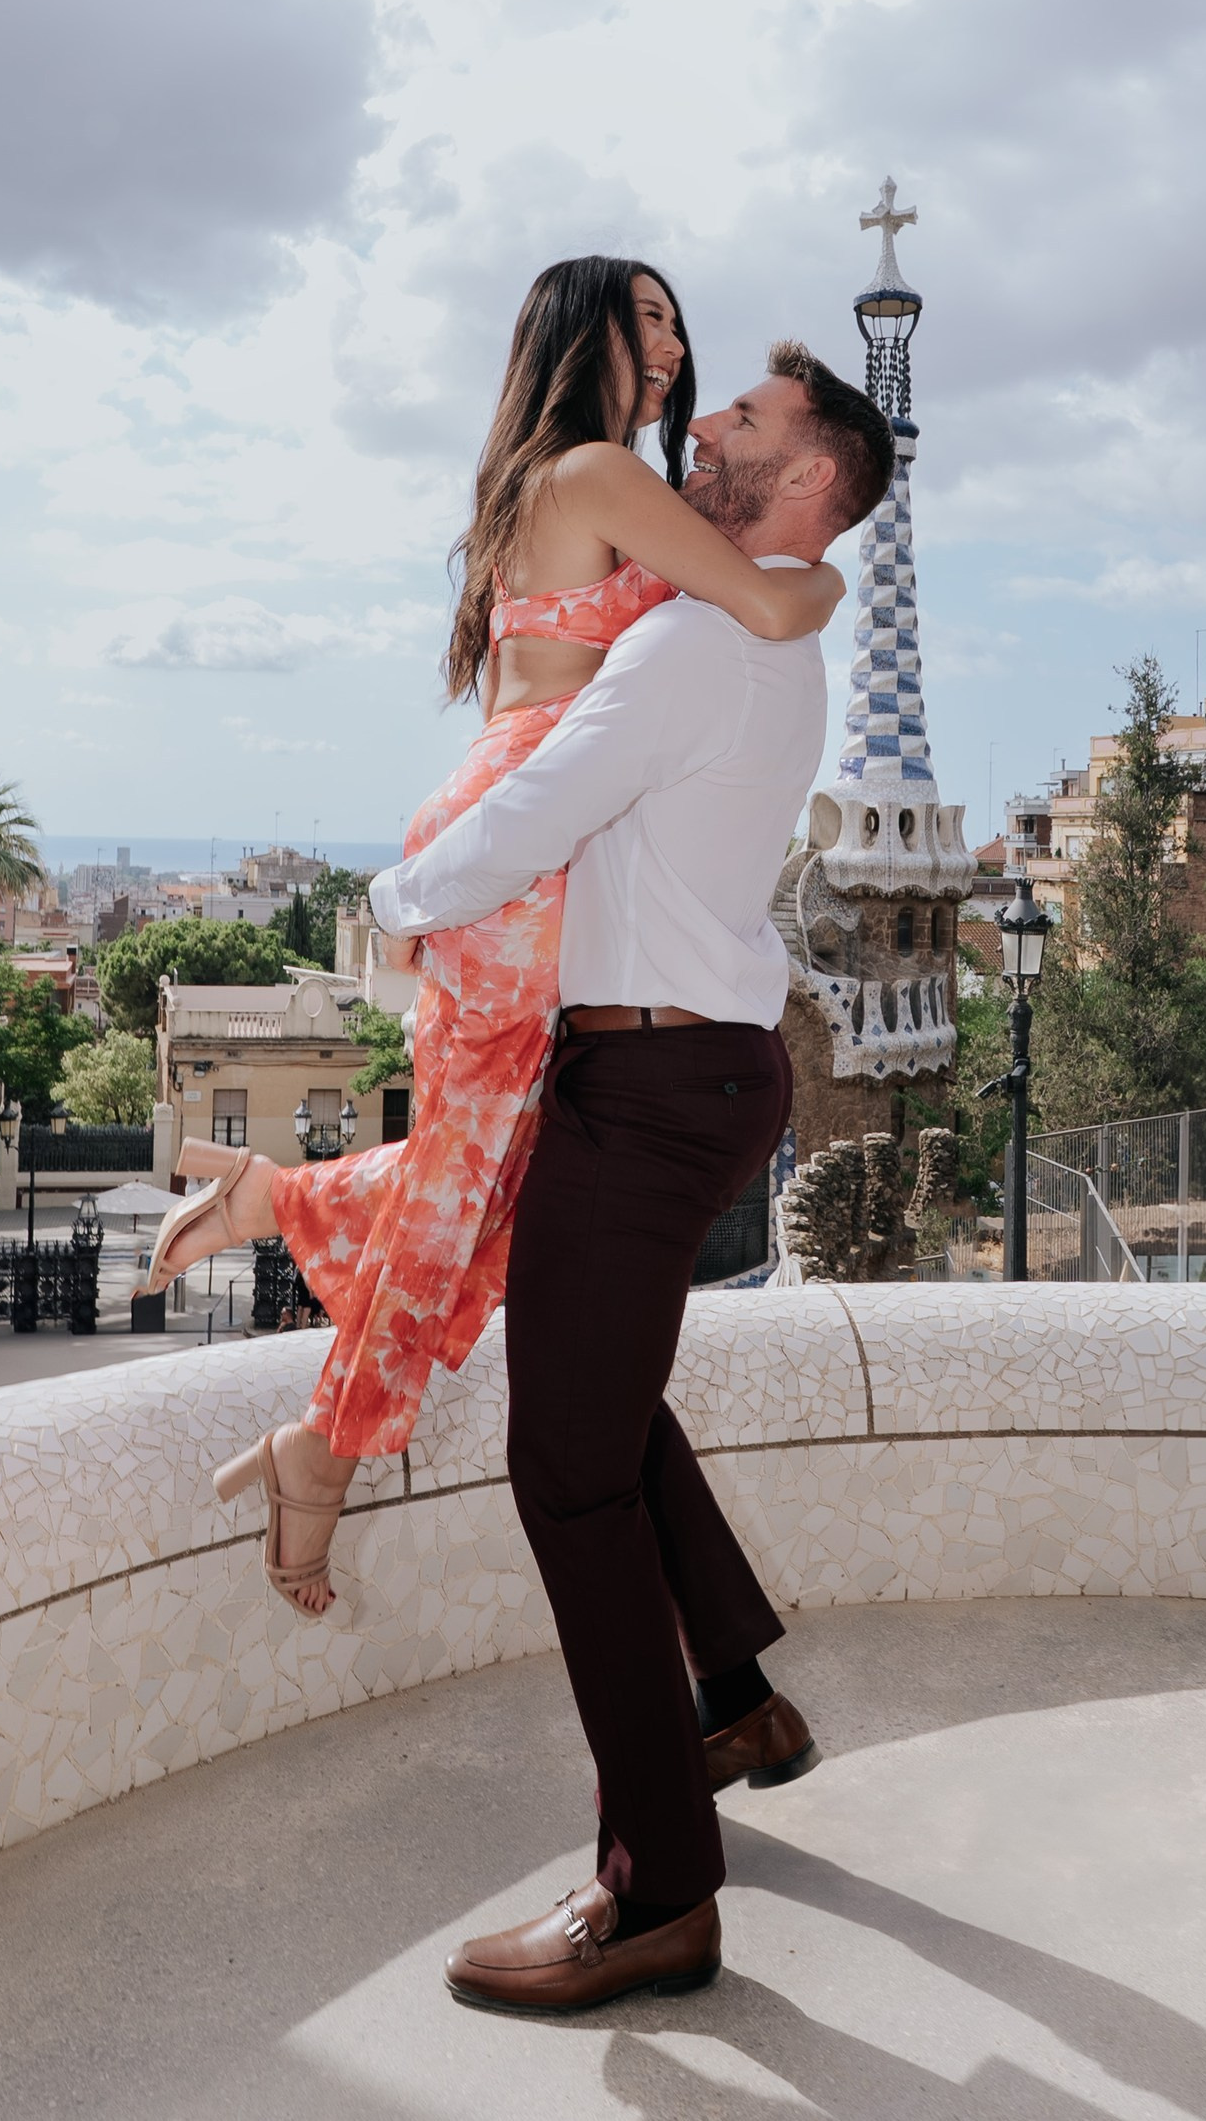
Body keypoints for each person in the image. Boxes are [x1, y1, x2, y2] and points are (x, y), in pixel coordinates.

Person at [145, 261, 843, 1615]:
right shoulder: (590, 472)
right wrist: (814, 580)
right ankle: (323, 1449)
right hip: (523, 846)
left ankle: (276, 1211)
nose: (673, 338)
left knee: (509, 1165)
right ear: (575, 338)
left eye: (674, 316)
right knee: (473, 1172)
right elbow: (765, 603)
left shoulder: (581, 482)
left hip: (539, 835)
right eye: (642, 315)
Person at [368, 339, 895, 2012]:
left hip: (650, 1077)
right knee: (611, 1404)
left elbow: (543, 802)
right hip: (687, 1064)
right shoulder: (753, 624)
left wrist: (391, 900)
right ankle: (733, 1696)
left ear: (809, 479)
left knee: (566, 1472)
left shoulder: (692, 637)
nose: (702, 426)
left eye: (742, 418)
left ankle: (657, 1888)